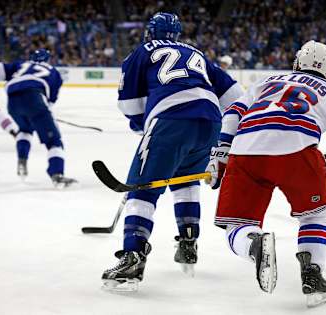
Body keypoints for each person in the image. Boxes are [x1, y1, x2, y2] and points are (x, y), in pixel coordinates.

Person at [205, 41, 326, 307]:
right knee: (315, 214)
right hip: (299, 152)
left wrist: (222, 152)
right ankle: (312, 275)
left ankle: (253, 245)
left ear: (297, 61)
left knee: (237, 225)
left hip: (246, 150)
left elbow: (233, 112)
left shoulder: (268, 80)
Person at [101, 12, 243, 291]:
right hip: (211, 123)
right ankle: (188, 242)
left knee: (141, 190)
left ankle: (132, 256)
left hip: (171, 120)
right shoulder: (198, 54)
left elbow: (129, 106)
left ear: (149, 32)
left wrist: (143, 124)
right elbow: (237, 97)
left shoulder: (141, 52)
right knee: (187, 181)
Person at [0, 49, 76, 187]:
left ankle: (22, 160)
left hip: (12, 100)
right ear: (48, 59)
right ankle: (57, 174)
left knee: (25, 129)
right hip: (34, 98)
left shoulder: (21, 64)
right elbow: (50, 102)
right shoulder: (54, 72)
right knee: (54, 141)